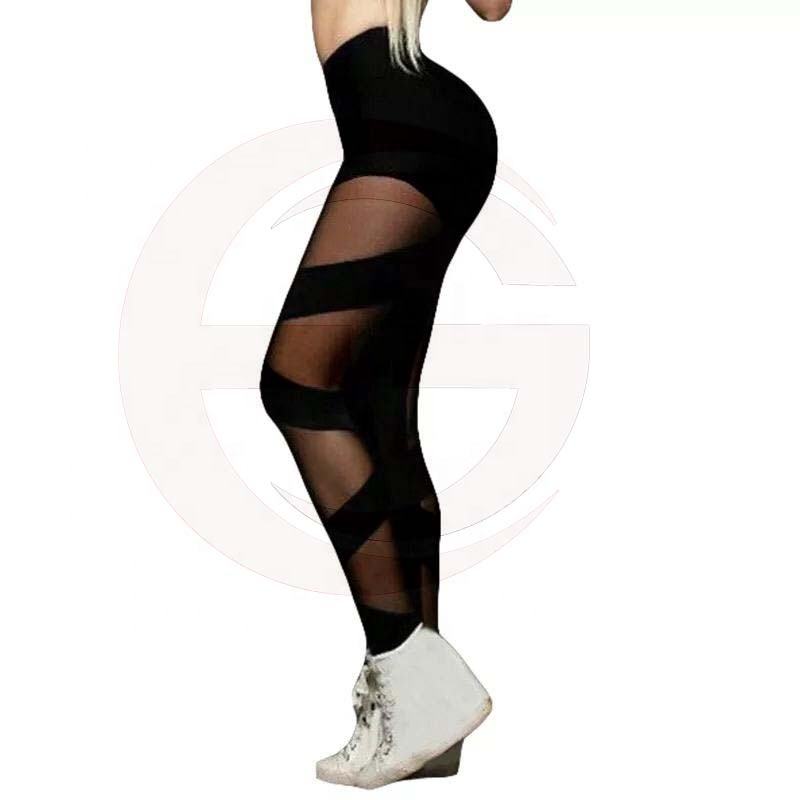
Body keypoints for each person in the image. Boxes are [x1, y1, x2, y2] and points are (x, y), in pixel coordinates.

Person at [259, 0, 511, 788]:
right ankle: (423, 729)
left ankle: (411, 669)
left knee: (297, 384)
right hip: (406, 126)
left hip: (407, 126)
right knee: (379, 415)